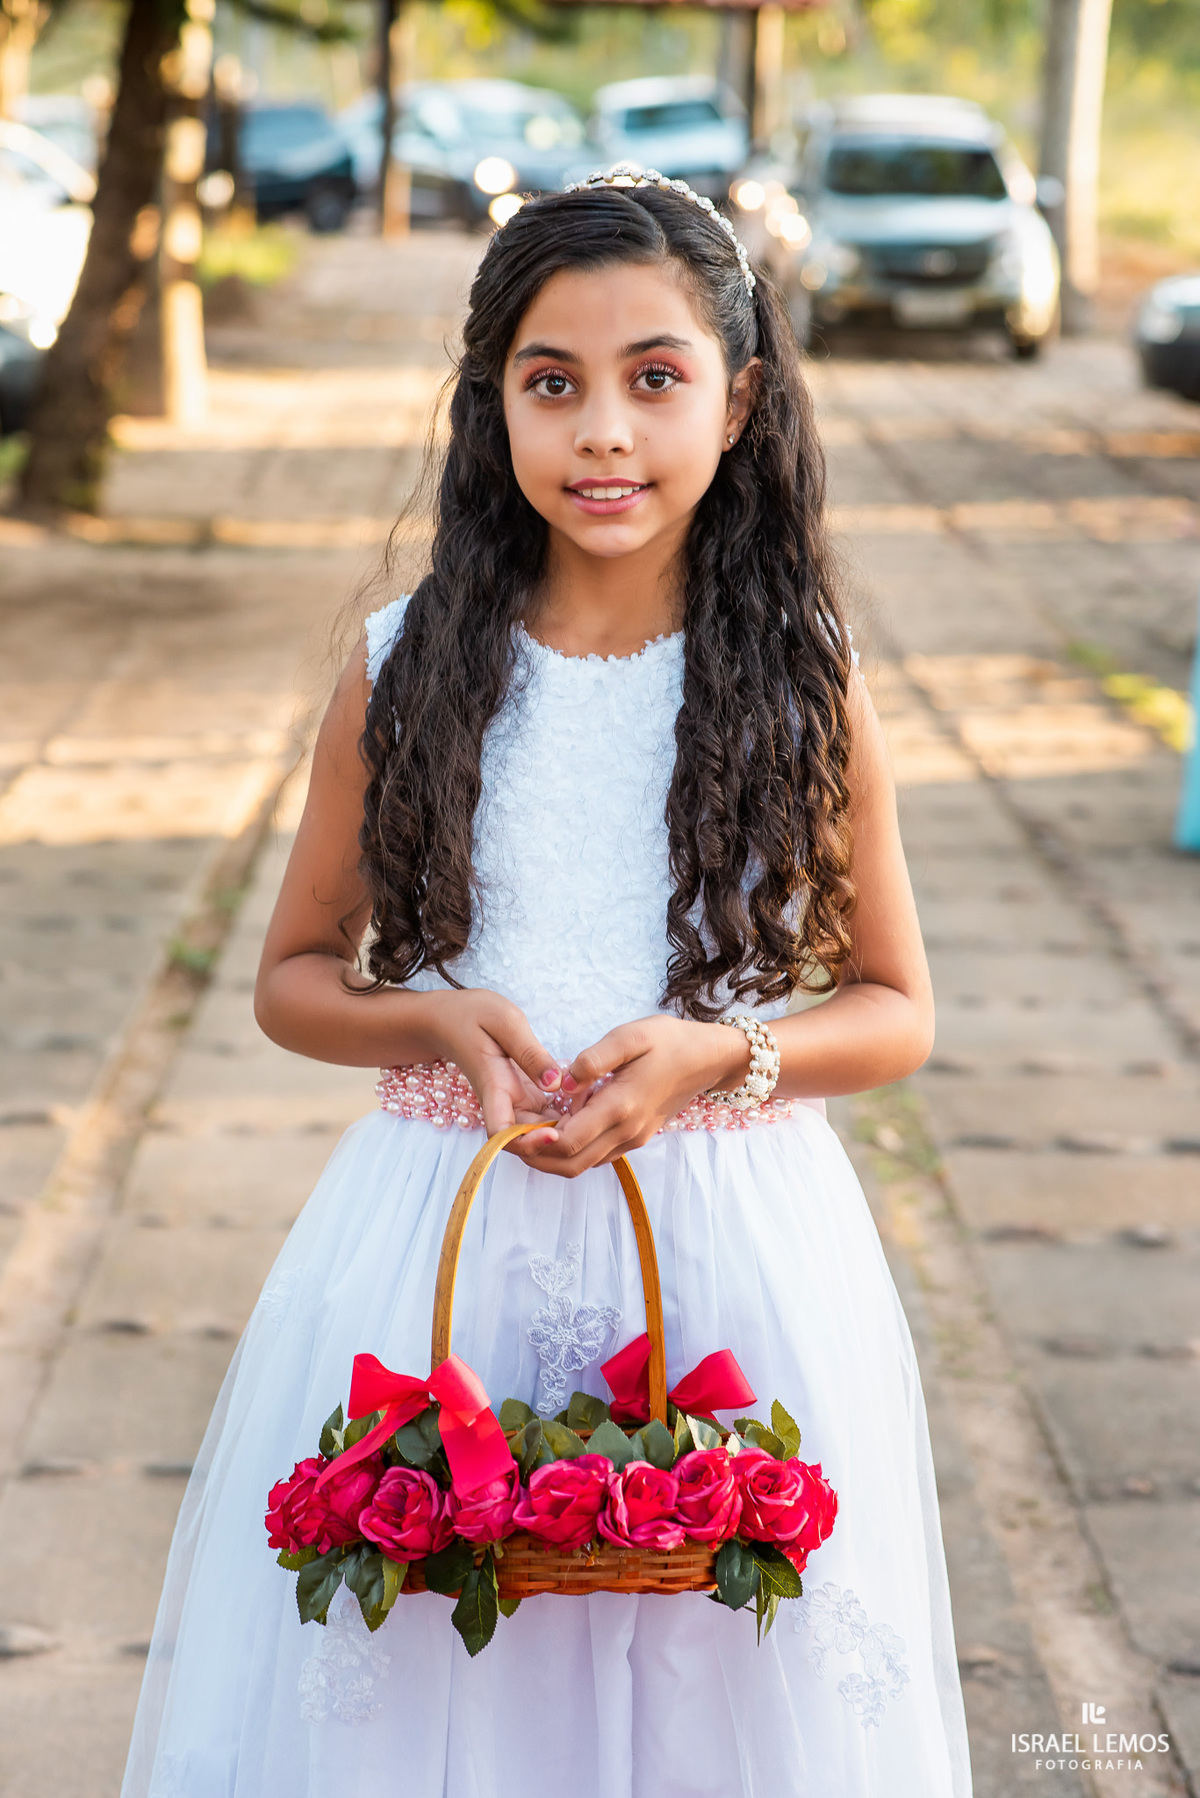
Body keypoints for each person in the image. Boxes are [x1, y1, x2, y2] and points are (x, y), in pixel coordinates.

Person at [122, 169, 973, 1798]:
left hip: (726, 1249)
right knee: (442, 1686)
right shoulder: (403, 665)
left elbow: (897, 1007)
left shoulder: (806, 681)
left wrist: (725, 1055)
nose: (603, 432)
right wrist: (429, 1014)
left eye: (656, 379)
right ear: (489, 403)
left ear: (740, 400)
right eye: (552, 381)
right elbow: (293, 978)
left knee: (713, 1687)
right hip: (439, 1241)